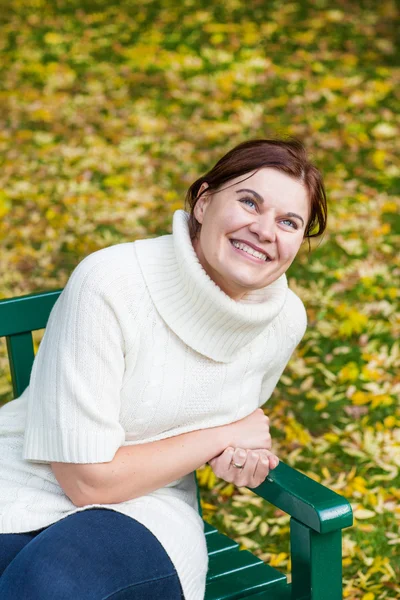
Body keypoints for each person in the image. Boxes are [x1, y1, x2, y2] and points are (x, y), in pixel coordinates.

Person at [0, 138, 327, 600]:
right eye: (249, 202)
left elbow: (228, 425)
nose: (264, 230)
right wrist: (221, 436)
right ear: (204, 200)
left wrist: (237, 454)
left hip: (148, 508)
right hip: (18, 481)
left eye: (288, 222)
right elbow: (85, 479)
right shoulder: (110, 284)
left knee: (49, 585)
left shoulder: (284, 320)